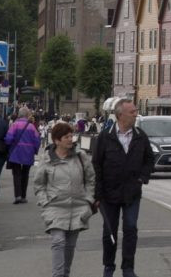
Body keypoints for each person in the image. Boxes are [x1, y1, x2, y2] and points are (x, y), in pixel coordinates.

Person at [92, 100, 155, 277]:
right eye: (132, 111)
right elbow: (96, 165)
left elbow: (149, 160)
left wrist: (143, 178)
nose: (135, 114)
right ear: (120, 115)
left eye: (135, 111)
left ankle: (128, 267)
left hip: (132, 192)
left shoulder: (140, 136)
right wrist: (97, 193)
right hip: (109, 193)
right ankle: (109, 266)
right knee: (109, 232)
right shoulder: (105, 137)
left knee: (130, 228)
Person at [34, 122, 96, 277]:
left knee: (69, 246)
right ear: (56, 140)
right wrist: (45, 202)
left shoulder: (80, 157)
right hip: (55, 207)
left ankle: (65, 274)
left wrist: (88, 200)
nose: (70, 139)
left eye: (71, 136)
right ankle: (58, 275)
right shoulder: (47, 159)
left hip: (78, 207)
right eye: (66, 137)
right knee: (58, 241)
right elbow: (39, 184)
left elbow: (91, 179)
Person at [4, 106, 41, 204]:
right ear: (27, 115)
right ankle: (24, 196)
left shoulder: (14, 125)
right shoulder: (31, 126)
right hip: (28, 153)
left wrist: (9, 146)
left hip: (16, 152)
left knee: (16, 174)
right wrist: (34, 150)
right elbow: (37, 140)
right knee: (25, 174)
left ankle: (18, 196)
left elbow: (8, 139)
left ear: (19, 115)